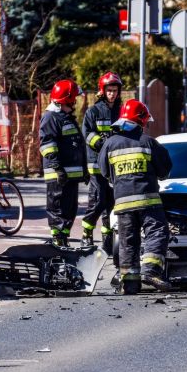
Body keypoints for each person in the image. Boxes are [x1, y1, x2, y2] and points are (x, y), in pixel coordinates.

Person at [98, 99, 173, 295]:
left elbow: (104, 172)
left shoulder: (109, 144)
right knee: (157, 232)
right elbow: (164, 170)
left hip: (122, 204)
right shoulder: (148, 142)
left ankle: (130, 283)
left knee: (127, 242)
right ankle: (150, 271)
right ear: (140, 121)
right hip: (149, 202)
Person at [39, 79, 88, 247]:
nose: (75, 102)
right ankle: (57, 241)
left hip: (71, 176)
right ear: (66, 100)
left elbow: (77, 145)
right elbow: (47, 145)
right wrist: (57, 167)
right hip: (58, 174)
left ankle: (63, 240)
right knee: (57, 209)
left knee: (69, 210)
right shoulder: (51, 117)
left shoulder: (65, 117)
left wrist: (84, 170)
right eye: (73, 99)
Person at [80, 72, 122, 253]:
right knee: (99, 201)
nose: (112, 94)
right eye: (109, 90)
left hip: (115, 165)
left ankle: (107, 239)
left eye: (115, 90)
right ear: (102, 91)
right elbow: (87, 133)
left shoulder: (121, 111)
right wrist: (101, 142)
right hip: (96, 165)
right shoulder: (93, 111)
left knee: (111, 204)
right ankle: (86, 233)